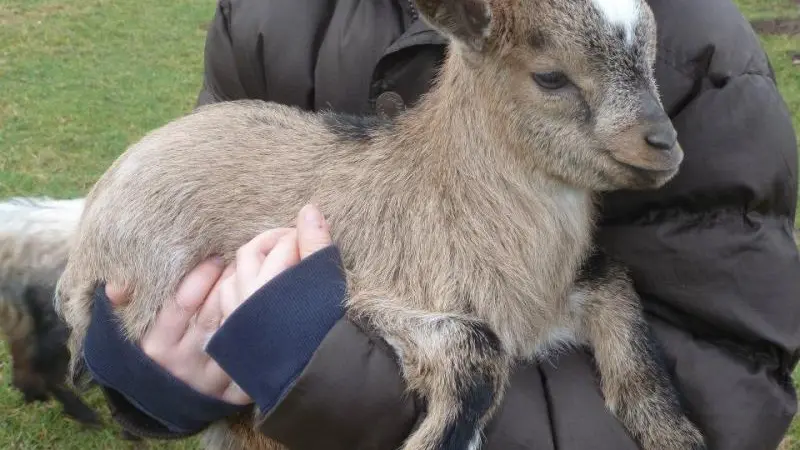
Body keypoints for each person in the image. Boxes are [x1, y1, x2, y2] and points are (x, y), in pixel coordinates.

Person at [78, 0, 800, 448]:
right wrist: (153, 383)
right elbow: (182, 247)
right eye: (554, 79)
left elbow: (730, 376)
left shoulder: (699, 48)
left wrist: (342, 376)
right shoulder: (271, 17)